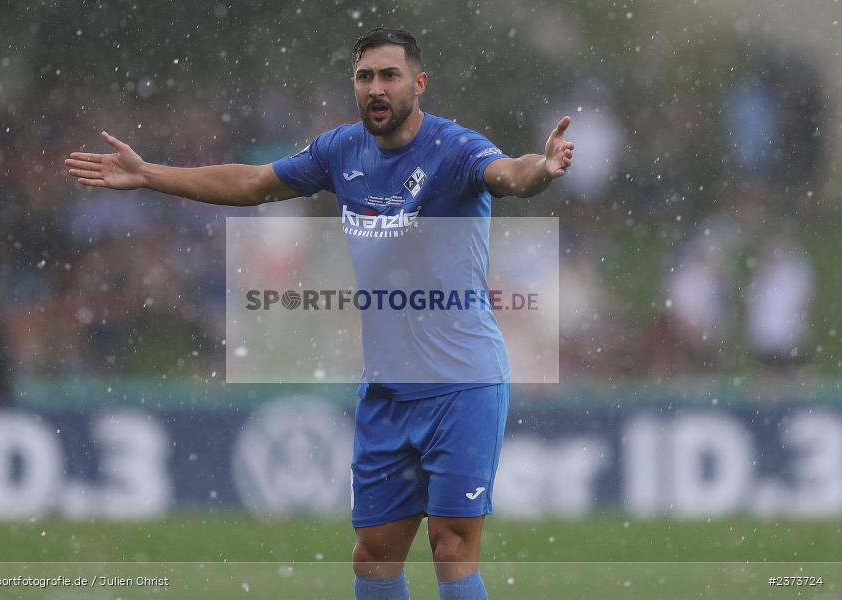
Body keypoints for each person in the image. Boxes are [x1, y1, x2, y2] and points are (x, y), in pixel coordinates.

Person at [65, 26, 573, 600]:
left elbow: (508, 173)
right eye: (365, 77)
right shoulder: (341, 151)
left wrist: (543, 169)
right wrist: (149, 174)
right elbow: (255, 183)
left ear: (419, 82)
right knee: (373, 559)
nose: (376, 88)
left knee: (452, 550)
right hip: (387, 389)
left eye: (389, 75)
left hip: (463, 384)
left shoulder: (453, 149)